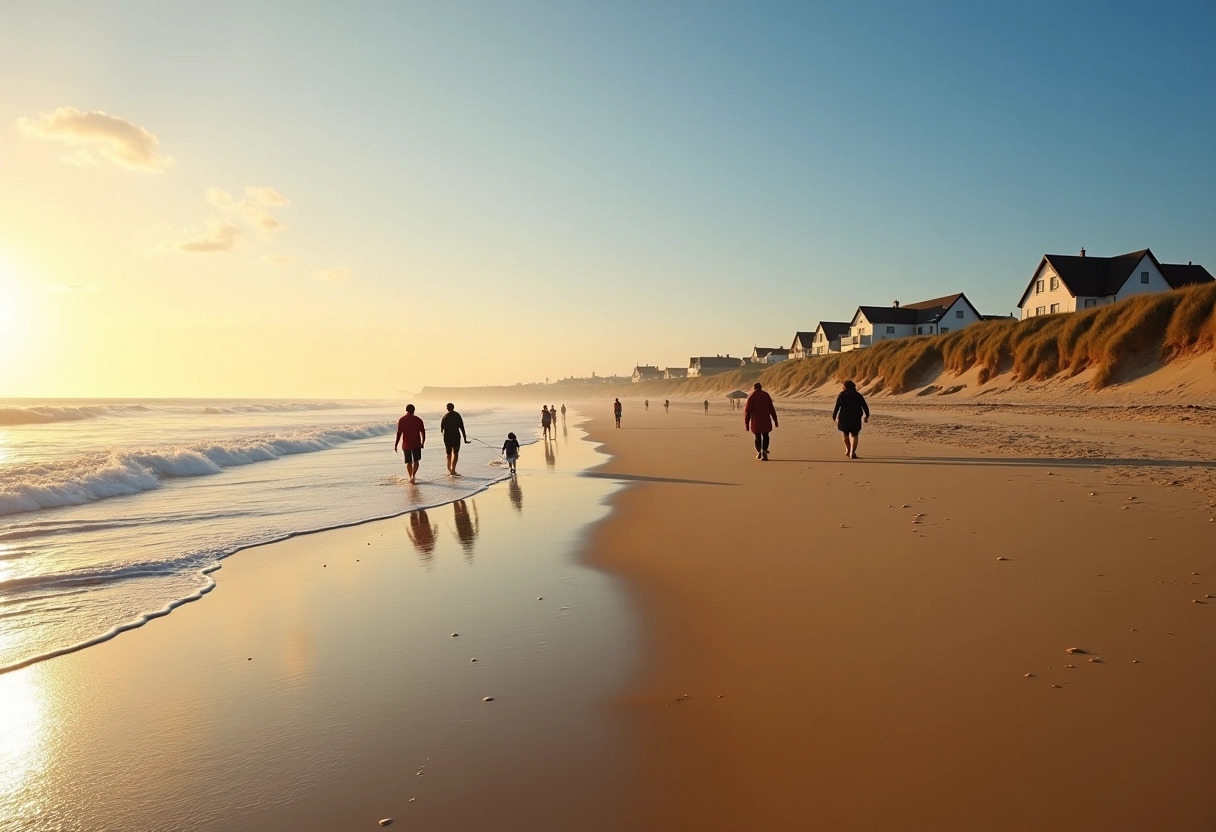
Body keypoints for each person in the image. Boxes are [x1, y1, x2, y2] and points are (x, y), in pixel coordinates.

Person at [832, 379, 870, 459]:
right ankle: (852, 452)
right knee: (854, 434)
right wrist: (867, 416)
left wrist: (834, 416)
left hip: (844, 417)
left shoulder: (842, 395)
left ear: (845, 387)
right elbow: (865, 406)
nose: (842, 387)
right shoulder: (858, 395)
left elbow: (837, 406)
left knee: (845, 433)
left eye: (843, 386)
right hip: (855, 417)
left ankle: (848, 450)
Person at [743, 382, 778, 461]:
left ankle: (759, 451)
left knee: (757, 436)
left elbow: (747, 412)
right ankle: (764, 451)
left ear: (754, 388)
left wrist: (747, 424)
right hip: (766, 420)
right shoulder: (766, 395)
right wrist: (775, 421)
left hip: (756, 421)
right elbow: (772, 409)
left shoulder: (751, 397)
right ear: (761, 387)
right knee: (766, 435)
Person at [394, 404, 426, 484]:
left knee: (408, 462)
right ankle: (413, 476)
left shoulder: (402, 420)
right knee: (416, 460)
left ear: (406, 410)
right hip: (416, 443)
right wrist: (423, 442)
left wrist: (396, 444)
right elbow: (423, 432)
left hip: (406, 443)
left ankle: (410, 477)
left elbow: (399, 433)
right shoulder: (418, 419)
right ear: (414, 410)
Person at [439, 402, 470, 476]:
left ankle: (449, 469)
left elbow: (441, 429)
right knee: (455, 453)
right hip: (456, 437)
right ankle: (453, 469)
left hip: (447, 437)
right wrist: (465, 438)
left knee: (448, 454)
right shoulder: (457, 415)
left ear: (447, 408)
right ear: (453, 407)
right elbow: (462, 427)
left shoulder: (445, 416)